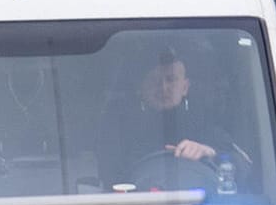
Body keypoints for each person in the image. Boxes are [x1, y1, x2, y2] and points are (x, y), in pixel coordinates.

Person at [96, 48, 242, 190]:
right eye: (155, 81)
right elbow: (108, 176)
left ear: (185, 87)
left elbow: (243, 165)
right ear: (141, 87)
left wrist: (208, 152)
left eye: (171, 80)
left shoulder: (203, 120)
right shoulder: (121, 125)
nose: (164, 88)